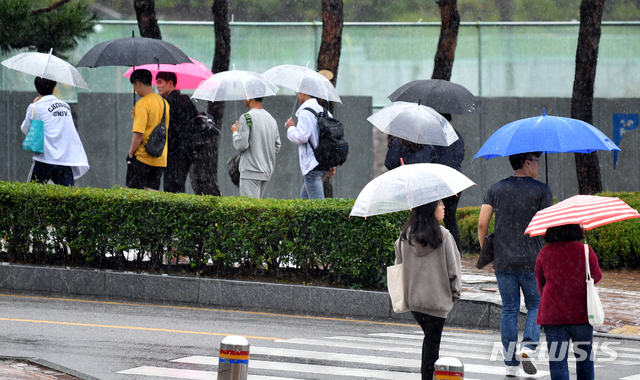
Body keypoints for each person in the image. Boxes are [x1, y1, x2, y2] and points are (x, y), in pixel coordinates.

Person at [477, 151, 553, 377]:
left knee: (509, 309)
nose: (538, 166)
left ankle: (511, 364)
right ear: (528, 163)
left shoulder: (496, 188)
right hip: (532, 260)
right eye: (536, 162)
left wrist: (486, 251)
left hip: (503, 260)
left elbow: (482, 224)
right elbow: (548, 226)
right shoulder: (542, 190)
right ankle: (528, 347)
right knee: (536, 304)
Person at [395, 199, 462, 380]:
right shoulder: (444, 236)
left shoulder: (405, 237)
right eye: (440, 204)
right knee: (432, 342)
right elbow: (453, 270)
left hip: (415, 301)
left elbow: (398, 268)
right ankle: (428, 377)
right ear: (431, 209)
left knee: (430, 340)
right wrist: (454, 293)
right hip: (437, 301)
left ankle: (427, 376)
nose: (444, 207)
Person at [535, 224, 602, 380]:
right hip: (581, 314)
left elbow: (540, 283)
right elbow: (596, 276)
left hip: (553, 316)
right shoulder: (585, 250)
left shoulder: (544, 252)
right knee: (584, 359)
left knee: (558, 362)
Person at [21, 76, 89, 186]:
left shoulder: (35, 107)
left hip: (43, 159)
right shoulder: (65, 106)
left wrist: (34, 108)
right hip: (63, 161)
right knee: (68, 198)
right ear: (53, 88)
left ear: (37, 88)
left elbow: (25, 129)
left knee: (30, 195)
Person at [155, 71, 200, 193]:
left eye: (160, 82)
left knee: (170, 188)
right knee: (178, 186)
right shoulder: (185, 100)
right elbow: (196, 121)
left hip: (174, 152)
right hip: (186, 152)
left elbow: (169, 129)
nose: (157, 86)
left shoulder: (169, 103)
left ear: (170, 83)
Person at [285, 92, 335, 199]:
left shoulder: (305, 112)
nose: (298, 95)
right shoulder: (326, 113)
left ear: (303, 92)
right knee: (305, 201)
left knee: (317, 207)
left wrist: (290, 128)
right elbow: (332, 140)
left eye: (298, 92)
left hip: (312, 166)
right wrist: (331, 163)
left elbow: (301, 137)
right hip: (324, 164)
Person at [126, 69, 170, 191]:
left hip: (142, 157)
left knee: (130, 196)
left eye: (134, 85)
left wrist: (131, 152)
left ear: (138, 83)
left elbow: (139, 134)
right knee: (151, 197)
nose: (135, 89)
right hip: (159, 157)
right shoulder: (164, 102)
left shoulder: (142, 104)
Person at [231, 95, 281, 198]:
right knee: (257, 209)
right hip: (266, 171)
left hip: (250, 170)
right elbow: (277, 146)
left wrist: (235, 133)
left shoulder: (246, 117)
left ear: (250, 96)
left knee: (249, 211)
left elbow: (241, 145)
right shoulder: (271, 119)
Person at [433, 113, 465, 251]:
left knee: (432, 218)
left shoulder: (432, 136)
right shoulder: (456, 135)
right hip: (455, 181)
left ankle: (436, 253)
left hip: (437, 181)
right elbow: (460, 156)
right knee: (451, 219)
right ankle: (456, 253)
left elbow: (431, 157)